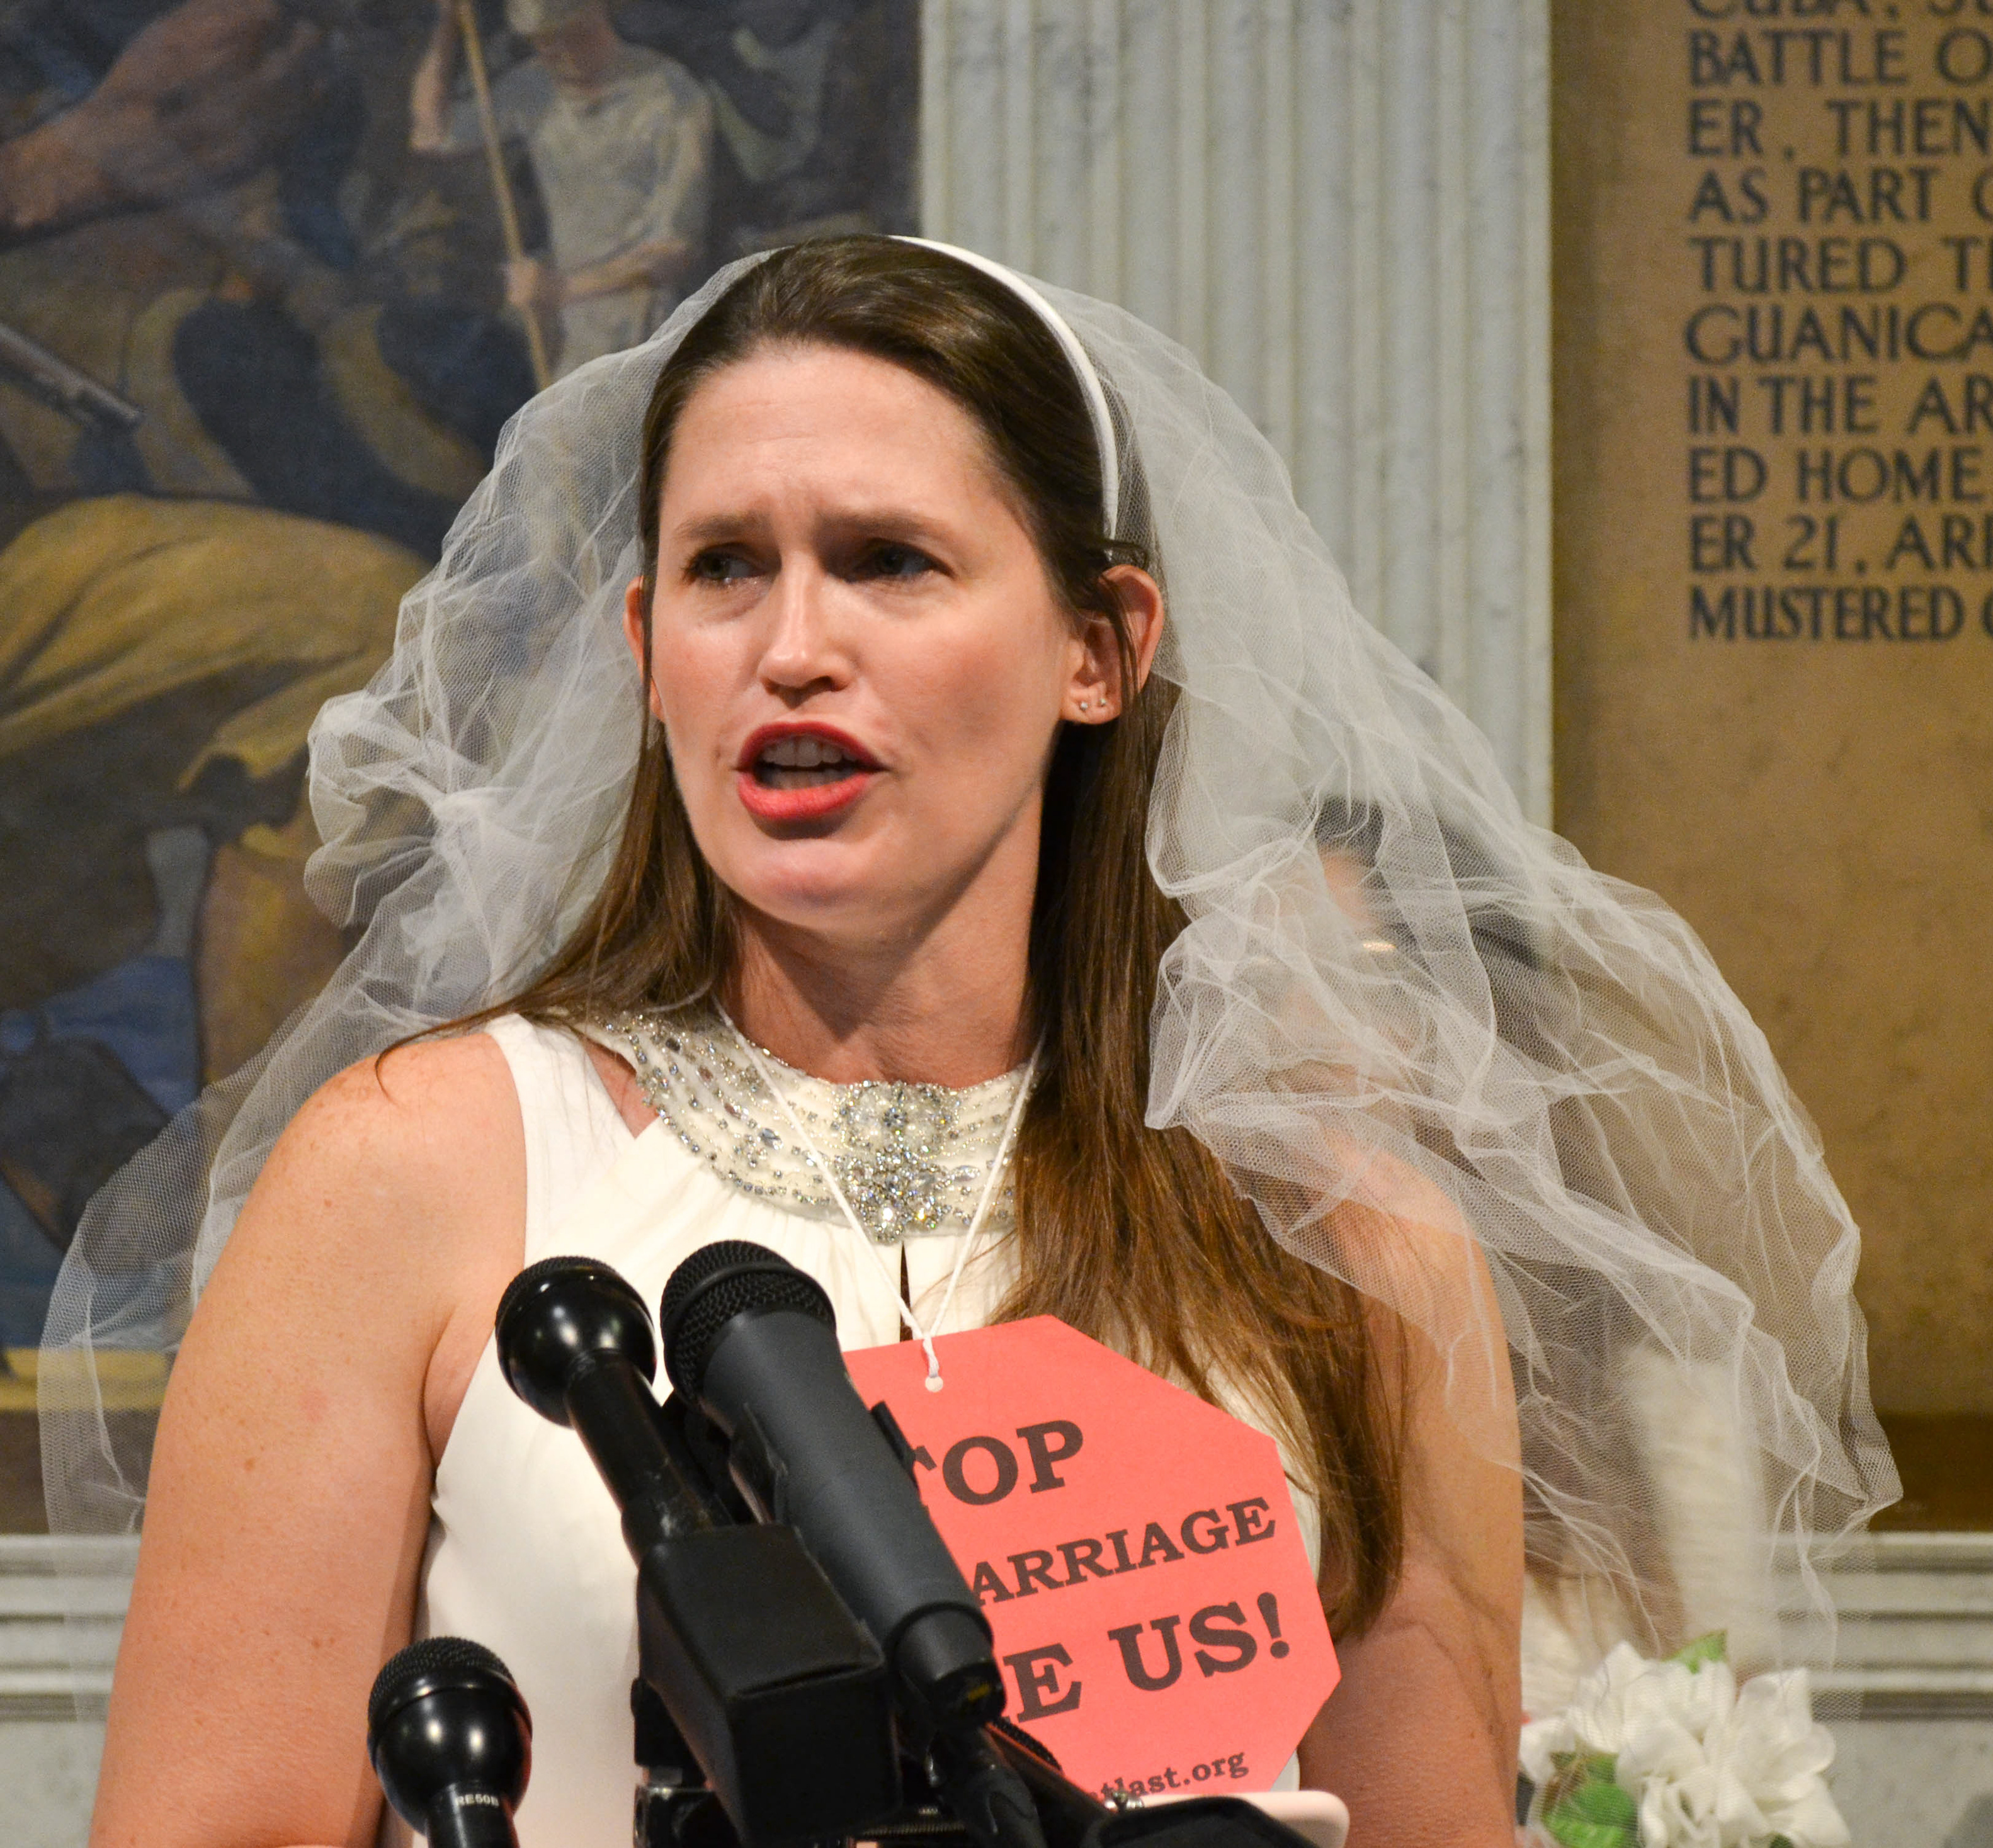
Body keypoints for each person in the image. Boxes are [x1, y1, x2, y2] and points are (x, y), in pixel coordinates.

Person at [55, 237, 1895, 1846]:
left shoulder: (1346, 1251)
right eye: (722, 569)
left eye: (887, 562)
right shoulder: (413, 1172)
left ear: (1097, 647)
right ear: (643, 646)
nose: (791, 646)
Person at [409, 0, 713, 374]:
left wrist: (562, 290)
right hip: (573, 333)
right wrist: (448, 24)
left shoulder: (670, 97)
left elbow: (675, 251)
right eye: (542, 40)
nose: (555, 52)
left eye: (570, 34)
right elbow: (431, 134)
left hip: (651, 332)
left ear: (599, 15)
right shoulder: (534, 88)